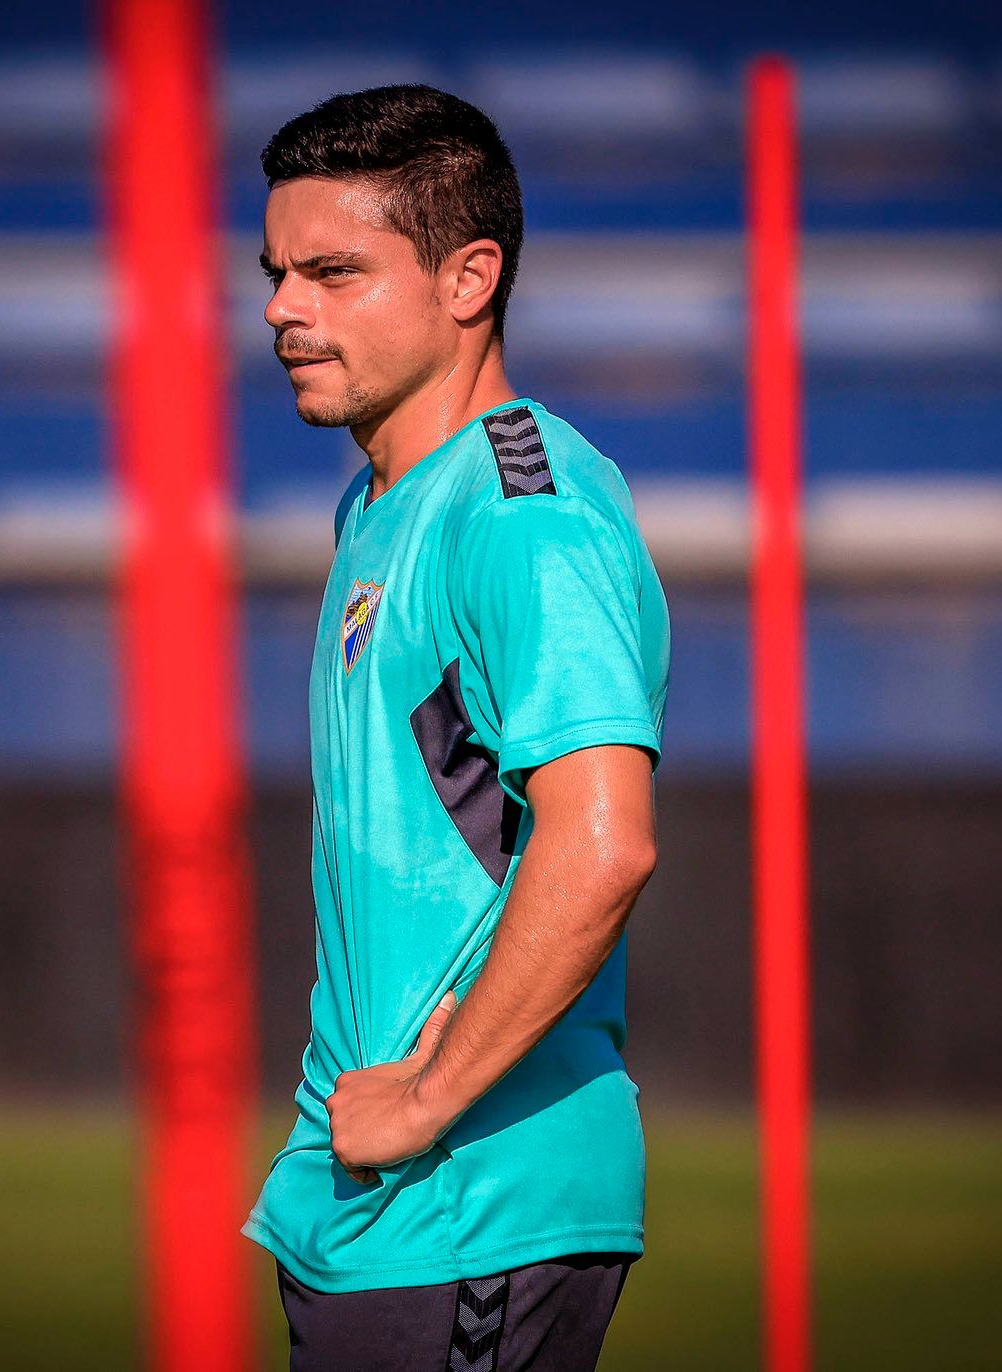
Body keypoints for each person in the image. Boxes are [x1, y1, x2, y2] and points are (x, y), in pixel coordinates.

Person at [241, 83, 670, 1372]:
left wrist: (424, 1101)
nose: (281, 309)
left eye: (334, 272)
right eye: (275, 273)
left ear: (468, 276)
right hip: (373, 1203)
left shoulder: (521, 516)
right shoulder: (382, 503)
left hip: (473, 1204)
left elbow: (604, 845)